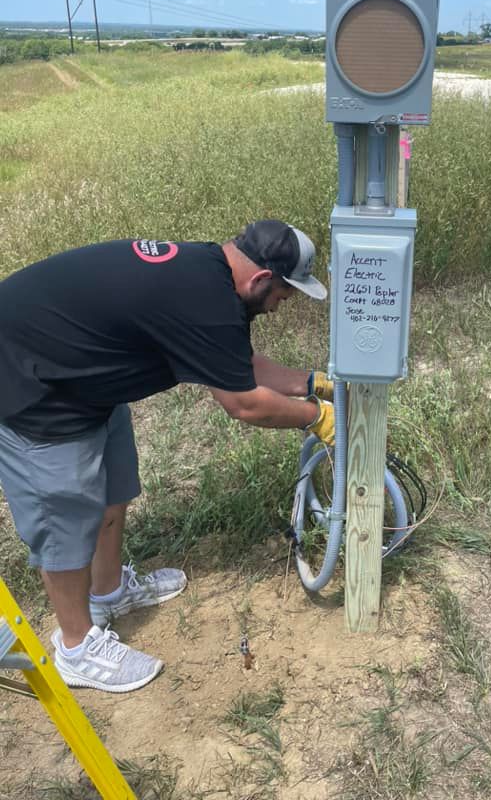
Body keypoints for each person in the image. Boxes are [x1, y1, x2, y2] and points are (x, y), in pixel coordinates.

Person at [0, 220, 335, 694]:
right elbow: (244, 402)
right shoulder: (209, 300)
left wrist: (314, 383)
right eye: (285, 293)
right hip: (32, 378)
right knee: (65, 515)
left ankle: (109, 592)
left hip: (86, 376)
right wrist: (317, 418)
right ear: (261, 279)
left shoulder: (213, 273)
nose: (283, 306)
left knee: (114, 488)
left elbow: (238, 364)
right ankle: (75, 647)